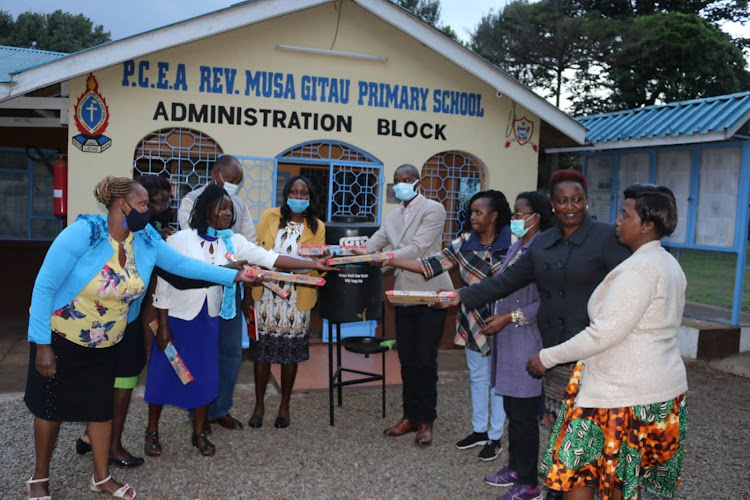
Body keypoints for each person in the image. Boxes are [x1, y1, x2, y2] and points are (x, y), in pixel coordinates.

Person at [25, 177, 260, 500]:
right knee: (50, 409)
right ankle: (40, 477)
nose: (148, 211)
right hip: (62, 336)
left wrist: (235, 274)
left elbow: (183, 266)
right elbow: (44, 286)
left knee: (99, 410)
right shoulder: (85, 233)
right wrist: (42, 345)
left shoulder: (145, 238)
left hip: (108, 341)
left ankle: (101, 477)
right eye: (142, 205)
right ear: (122, 205)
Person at [444, 170, 630, 500]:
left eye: (576, 199)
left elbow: (628, 288)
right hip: (554, 349)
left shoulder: (606, 238)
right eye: (562, 200)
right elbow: (506, 281)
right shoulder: (542, 243)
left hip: (594, 348)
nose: (570, 206)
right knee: (558, 424)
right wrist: (459, 297)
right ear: (553, 206)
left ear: (586, 201)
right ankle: (557, 486)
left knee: (591, 428)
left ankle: (592, 487)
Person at [144, 184, 335, 456]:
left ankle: (198, 432)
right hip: (176, 318)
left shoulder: (233, 242)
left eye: (230, 210)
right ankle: (152, 431)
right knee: (164, 375)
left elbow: (272, 258)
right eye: (222, 208)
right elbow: (163, 286)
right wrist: (162, 326)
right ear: (205, 208)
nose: (227, 214)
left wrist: (314, 265)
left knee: (203, 376)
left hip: (208, 318)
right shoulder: (179, 240)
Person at [527, 184, 688, 500]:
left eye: (625, 215)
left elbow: (603, 333)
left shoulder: (638, 270)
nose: (617, 221)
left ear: (647, 225)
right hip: (656, 391)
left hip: (621, 395)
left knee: (576, 475)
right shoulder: (668, 263)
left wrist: (546, 357)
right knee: (621, 480)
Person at [380, 190, 511, 459]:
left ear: (494, 215)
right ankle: (479, 431)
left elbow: (509, 284)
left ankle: (496, 436)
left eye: (479, 212)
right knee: (477, 377)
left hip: (502, 319)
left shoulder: (512, 246)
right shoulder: (465, 242)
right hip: (472, 319)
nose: (472, 217)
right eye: (471, 212)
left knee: (498, 382)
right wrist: (389, 259)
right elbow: (431, 264)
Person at [74, 175, 175, 468]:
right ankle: (108, 445)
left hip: (129, 318)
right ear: (123, 205)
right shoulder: (98, 232)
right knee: (112, 382)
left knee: (120, 379)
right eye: (148, 203)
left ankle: (96, 439)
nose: (155, 208)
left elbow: (177, 268)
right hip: (107, 322)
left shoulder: (150, 235)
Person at [365, 163, 452, 446]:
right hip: (403, 294)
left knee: (425, 360)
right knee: (406, 359)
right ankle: (409, 416)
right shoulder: (390, 217)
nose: (402, 184)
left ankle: (426, 421)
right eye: (398, 180)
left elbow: (417, 248)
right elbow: (371, 245)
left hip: (431, 293)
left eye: (407, 179)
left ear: (418, 182)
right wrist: (347, 252)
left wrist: (385, 258)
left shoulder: (434, 209)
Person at [482, 192, 554, 500]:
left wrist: (510, 317)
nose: (515, 219)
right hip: (508, 341)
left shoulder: (543, 249)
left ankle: (529, 483)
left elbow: (546, 300)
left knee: (525, 417)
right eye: (514, 213)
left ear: (536, 217)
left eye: (520, 213)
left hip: (527, 340)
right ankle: (514, 466)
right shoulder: (519, 245)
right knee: (513, 410)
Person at [177, 154, 257, 430]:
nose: (234, 185)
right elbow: (191, 246)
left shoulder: (239, 205)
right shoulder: (191, 202)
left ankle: (220, 408)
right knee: (202, 353)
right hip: (200, 292)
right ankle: (197, 412)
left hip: (230, 293)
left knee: (231, 352)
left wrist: (245, 286)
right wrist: (227, 263)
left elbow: (250, 244)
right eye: (231, 179)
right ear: (216, 174)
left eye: (238, 181)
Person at [248, 176, 325, 429]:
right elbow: (253, 252)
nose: (299, 197)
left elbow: (318, 267)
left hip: (297, 296)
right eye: (294, 192)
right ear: (286, 194)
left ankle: (284, 405)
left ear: (310, 197)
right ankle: (259, 404)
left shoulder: (317, 227)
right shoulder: (270, 217)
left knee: (289, 355)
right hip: (266, 295)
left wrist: (323, 264)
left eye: (304, 193)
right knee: (262, 353)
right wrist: (248, 291)